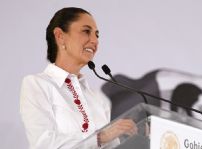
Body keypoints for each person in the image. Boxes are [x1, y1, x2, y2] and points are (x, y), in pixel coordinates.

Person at [20, 7, 136, 149]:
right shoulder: (37, 85)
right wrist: (100, 137)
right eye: (86, 31)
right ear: (60, 36)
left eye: (97, 35)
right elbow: (43, 143)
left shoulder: (98, 99)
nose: (94, 41)